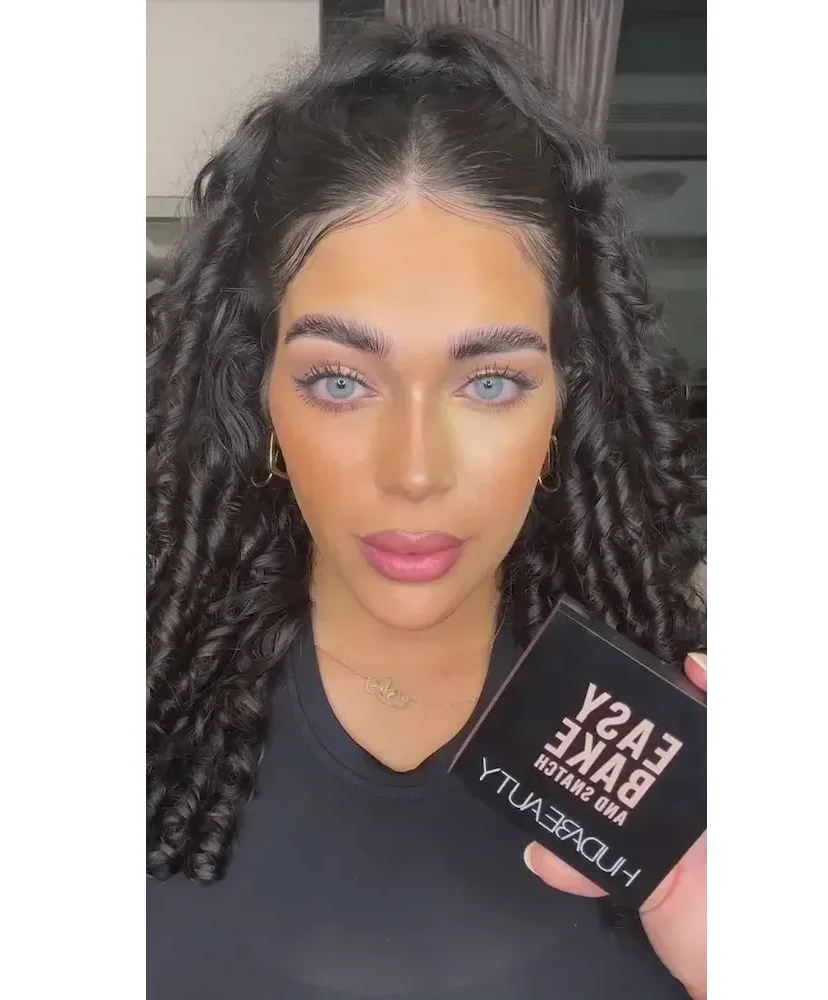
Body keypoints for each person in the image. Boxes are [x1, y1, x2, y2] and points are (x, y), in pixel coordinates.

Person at [147, 21, 707, 1000]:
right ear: (261, 399)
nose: (414, 471)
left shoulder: (685, 775)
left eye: (490, 383)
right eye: (339, 382)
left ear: (561, 408)